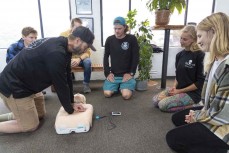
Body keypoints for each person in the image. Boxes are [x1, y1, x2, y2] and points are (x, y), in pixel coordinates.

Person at [0, 26, 96, 133]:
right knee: (30, 126)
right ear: (78, 41)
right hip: (14, 86)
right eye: (86, 46)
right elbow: (60, 84)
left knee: (40, 114)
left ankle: (19, 115)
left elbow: (67, 76)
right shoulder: (56, 52)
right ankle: (20, 117)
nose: (86, 49)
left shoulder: (64, 46)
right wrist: (70, 109)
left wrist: (72, 103)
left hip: (29, 85)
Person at [166, 12, 229, 153]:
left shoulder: (227, 67)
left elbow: (222, 115)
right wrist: (199, 113)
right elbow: (209, 101)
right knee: (177, 118)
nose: (198, 41)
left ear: (213, 32)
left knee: (173, 138)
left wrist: (197, 117)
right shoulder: (214, 60)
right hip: (211, 110)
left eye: (200, 36)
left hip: (223, 123)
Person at [152, 25, 205, 112]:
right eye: (181, 38)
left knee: (162, 105)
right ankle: (175, 97)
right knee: (155, 100)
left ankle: (194, 106)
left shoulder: (200, 55)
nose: (181, 41)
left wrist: (179, 91)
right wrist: (174, 88)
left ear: (194, 40)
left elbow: (200, 82)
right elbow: (178, 75)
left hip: (192, 93)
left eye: (185, 39)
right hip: (178, 89)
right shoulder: (179, 55)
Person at [0, 27, 46, 122]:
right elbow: (12, 68)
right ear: (23, 37)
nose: (34, 40)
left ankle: (20, 114)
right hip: (16, 81)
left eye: (35, 37)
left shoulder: (36, 47)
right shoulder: (13, 47)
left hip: (30, 79)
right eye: (31, 37)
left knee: (40, 114)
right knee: (28, 121)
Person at [103, 16, 139, 100]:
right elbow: (106, 56)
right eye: (115, 28)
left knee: (126, 96)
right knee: (107, 94)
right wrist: (107, 73)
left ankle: (123, 87)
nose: (117, 31)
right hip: (114, 75)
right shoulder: (109, 39)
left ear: (125, 27)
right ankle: (119, 87)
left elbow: (135, 56)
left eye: (119, 28)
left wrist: (131, 73)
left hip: (126, 75)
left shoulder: (132, 39)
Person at [60, 18, 93, 93]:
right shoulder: (63, 35)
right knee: (62, 64)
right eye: (77, 27)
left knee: (88, 62)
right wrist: (69, 59)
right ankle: (65, 86)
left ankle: (86, 84)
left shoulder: (83, 36)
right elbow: (60, 51)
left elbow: (87, 52)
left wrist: (79, 59)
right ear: (71, 27)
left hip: (80, 59)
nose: (79, 29)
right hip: (68, 58)